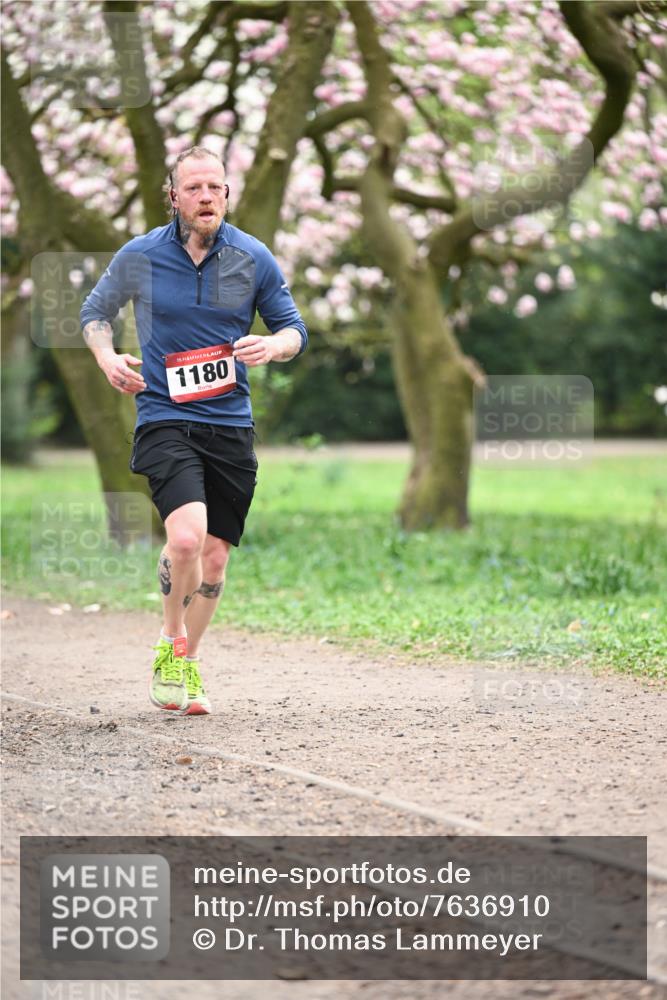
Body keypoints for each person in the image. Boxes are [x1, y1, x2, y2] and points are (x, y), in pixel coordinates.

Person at [80, 146, 307, 717]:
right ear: (174, 196)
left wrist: (274, 346)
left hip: (229, 423)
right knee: (183, 539)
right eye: (195, 188)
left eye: (216, 188)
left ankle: (186, 660)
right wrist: (107, 358)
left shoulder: (253, 257)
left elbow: (294, 328)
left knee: (214, 560)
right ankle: (169, 638)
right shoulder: (140, 255)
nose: (207, 197)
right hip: (164, 415)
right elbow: (95, 314)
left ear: (227, 195)